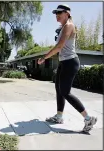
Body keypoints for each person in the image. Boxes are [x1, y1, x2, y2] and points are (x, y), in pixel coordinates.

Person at [37, 4, 97, 133]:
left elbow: (59, 46)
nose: (57, 15)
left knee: (65, 91)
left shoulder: (69, 25)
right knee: (58, 89)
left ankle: (88, 118)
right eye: (56, 13)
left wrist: (44, 58)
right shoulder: (63, 27)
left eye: (60, 13)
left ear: (67, 13)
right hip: (64, 62)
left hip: (70, 62)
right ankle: (59, 116)